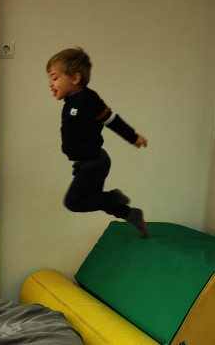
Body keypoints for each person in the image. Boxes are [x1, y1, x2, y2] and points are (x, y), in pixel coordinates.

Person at [46, 47, 148, 237]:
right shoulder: (70, 101)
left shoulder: (88, 99)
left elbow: (111, 121)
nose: (50, 84)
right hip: (86, 163)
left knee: (73, 202)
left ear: (75, 79)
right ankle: (131, 214)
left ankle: (115, 196)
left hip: (93, 164)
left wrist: (133, 137)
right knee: (95, 200)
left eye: (54, 77)